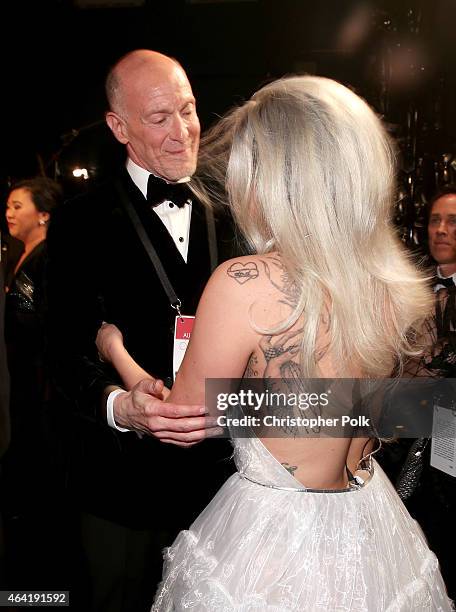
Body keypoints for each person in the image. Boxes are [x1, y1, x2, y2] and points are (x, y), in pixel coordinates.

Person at [96, 76, 453, 610]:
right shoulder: (397, 286)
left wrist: (115, 353)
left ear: (268, 177)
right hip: (375, 524)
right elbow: (398, 412)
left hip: (274, 542)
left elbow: (184, 420)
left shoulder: (246, 283)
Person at [46, 49, 235, 612]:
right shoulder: (79, 222)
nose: (183, 133)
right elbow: (61, 349)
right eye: (159, 118)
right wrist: (118, 405)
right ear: (118, 126)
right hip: (118, 487)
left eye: (189, 110)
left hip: (221, 484)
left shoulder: (233, 210)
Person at [1, 177, 68, 589]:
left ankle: (40, 582)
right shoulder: (18, 257)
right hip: (17, 381)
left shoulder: (47, 259)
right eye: (7, 206)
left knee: (36, 471)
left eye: (17, 206)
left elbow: (37, 322)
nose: (9, 213)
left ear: (43, 214)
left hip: (39, 387)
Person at [394, 185, 456, 600]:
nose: (440, 230)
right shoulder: (411, 286)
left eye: (452, 221)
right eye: (435, 220)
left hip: (450, 429)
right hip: (407, 427)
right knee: (413, 523)